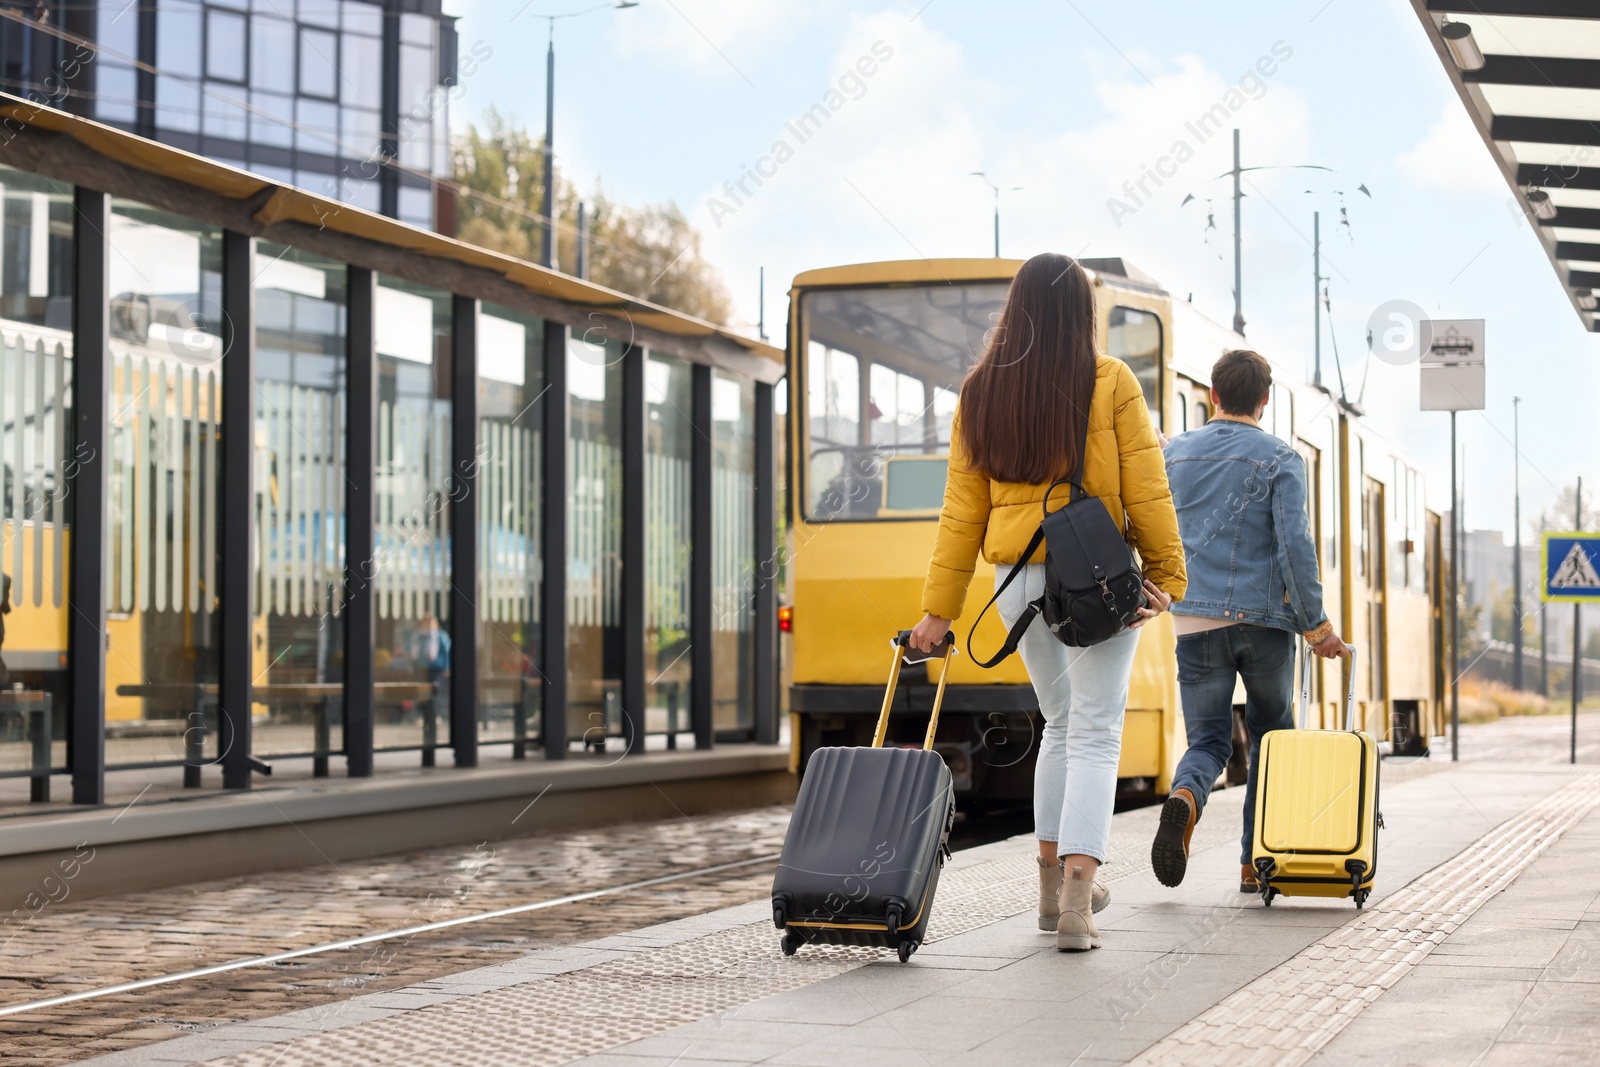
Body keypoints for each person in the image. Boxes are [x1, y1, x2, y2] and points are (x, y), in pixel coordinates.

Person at [908, 252, 1186, 952]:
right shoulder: (1112, 381)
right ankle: (1076, 901)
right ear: (1080, 315)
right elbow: (1147, 488)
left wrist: (938, 612)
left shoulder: (980, 393)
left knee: (1060, 726)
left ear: (1016, 309)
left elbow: (959, 515)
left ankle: (1046, 887)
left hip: (1016, 585)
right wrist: (1167, 576)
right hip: (1093, 579)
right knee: (1094, 731)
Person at [1152, 349, 1349, 895]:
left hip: (1192, 619)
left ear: (1213, 395)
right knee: (1271, 738)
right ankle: (1254, 862)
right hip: (1264, 625)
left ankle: (1187, 797)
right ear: (1265, 401)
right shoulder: (1281, 458)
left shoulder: (1175, 456)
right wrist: (1318, 628)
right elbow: (1295, 547)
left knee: (1209, 742)